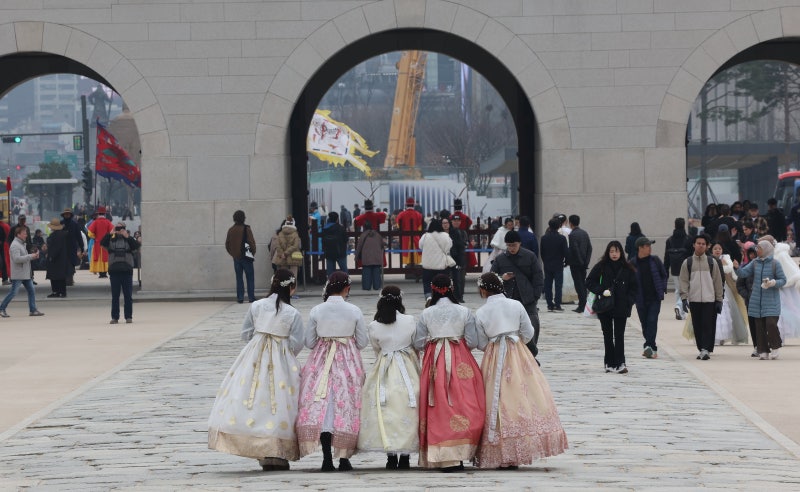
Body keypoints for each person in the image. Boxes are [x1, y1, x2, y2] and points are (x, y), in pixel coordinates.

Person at [208, 270, 304, 471]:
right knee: (279, 402)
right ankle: (277, 451)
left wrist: (260, 339)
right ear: (291, 288)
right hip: (282, 358)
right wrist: (282, 349)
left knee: (254, 400)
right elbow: (297, 343)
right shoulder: (292, 313)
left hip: (254, 356)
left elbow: (246, 333)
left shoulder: (257, 306)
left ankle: (258, 447)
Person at [474, 272, 568, 469]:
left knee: (496, 399)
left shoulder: (481, 312)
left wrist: (494, 344)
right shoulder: (515, 305)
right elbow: (528, 332)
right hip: (517, 352)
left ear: (483, 289)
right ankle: (520, 445)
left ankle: (499, 448)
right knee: (523, 395)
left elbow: (481, 342)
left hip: (494, 355)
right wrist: (516, 342)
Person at [296, 272, 367, 472]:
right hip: (347, 360)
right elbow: (362, 341)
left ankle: (327, 458)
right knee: (345, 406)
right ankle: (344, 458)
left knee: (324, 406)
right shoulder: (354, 310)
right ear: (347, 288)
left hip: (322, 358)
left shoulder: (317, 310)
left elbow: (309, 342)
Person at [414, 274, 484, 471]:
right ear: (451, 288)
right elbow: (472, 342)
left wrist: (433, 341)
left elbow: (418, 342)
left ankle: (442, 453)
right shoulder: (464, 311)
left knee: (437, 405)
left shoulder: (426, 313)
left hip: (435, 358)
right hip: (459, 356)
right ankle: (461, 451)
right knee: (464, 402)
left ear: (433, 289)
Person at [357, 286, 420, 470]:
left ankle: (391, 455)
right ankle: (406, 456)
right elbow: (415, 343)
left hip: (384, 366)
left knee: (386, 410)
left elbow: (377, 349)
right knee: (408, 408)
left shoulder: (374, 325)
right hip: (406, 366)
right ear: (400, 300)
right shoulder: (409, 321)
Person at [491, 230, 544, 353]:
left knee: (532, 325)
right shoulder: (500, 259)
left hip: (527, 298)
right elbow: (491, 277)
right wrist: (501, 278)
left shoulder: (529, 256)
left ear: (519, 243)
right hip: (508, 299)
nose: (511, 248)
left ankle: (532, 352)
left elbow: (538, 276)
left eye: (514, 245)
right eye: (509, 245)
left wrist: (535, 295)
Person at [736, 240, 786, 359]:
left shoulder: (775, 263)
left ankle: (775, 346)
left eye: (759, 248)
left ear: (766, 249)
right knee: (760, 326)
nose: (757, 250)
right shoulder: (755, 263)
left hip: (771, 301)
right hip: (757, 301)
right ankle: (763, 350)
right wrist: (737, 267)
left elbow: (783, 280)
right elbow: (743, 273)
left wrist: (773, 283)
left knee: (771, 324)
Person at [679, 234, 724, 361]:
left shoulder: (712, 262)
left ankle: (705, 349)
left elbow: (717, 281)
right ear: (694, 245)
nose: (701, 245)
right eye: (698, 243)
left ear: (707, 246)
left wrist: (719, 299)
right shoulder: (687, 262)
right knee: (697, 325)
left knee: (707, 325)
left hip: (709, 300)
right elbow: (683, 281)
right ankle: (702, 348)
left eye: (703, 244)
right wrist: (684, 298)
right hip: (694, 299)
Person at [630, 237, 668, 360]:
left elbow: (664, 275)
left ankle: (648, 346)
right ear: (640, 248)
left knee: (652, 321)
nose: (650, 248)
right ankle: (652, 348)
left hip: (654, 298)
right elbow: (628, 280)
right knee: (645, 324)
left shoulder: (655, 260)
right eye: (647, 246)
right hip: (640, 299)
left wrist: (662, 288)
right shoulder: (632, 263)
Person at [100, 222, 140, 324]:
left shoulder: (129, 240)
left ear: (125, 228)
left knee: (128, 296)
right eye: (117, 227)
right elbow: (102, 244)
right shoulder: (111, 241)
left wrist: (127, 236)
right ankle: (115, 317)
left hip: (127, 271)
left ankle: (128, 317)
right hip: (114, 271)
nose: (119, 230)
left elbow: (136, 247)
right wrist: (110, 233)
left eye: (121, 228)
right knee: (115, 296)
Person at [710, 244, 749, 347]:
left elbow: (730, 272)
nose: (717, 250)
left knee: (725, 312)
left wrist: (725, 264)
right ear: (711, 250)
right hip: (710, 289)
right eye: (715, 249)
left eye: (719, 248)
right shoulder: (708, 260)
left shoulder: (726, 259)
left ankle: (723, 336)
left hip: (724, 289)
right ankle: (715, 337)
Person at [0, 227, 43, 318]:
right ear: (18, 234)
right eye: (24, 233)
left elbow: (22, 257)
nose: (26, 235)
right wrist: (31, 256)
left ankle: (33, 310)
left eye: (26, 233)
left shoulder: (21, 244)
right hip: (19, 274)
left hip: (25, 273)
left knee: (31, 290)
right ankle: (1, 308)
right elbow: (17, 259)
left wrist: (32, 256)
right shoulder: (15, 245)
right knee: (13, 292)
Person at [224, 210, 256, 304]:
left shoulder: (231, 230)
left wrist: (233, 254)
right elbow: (251, 242)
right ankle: (251, 297)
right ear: (243, 218)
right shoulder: (246, 229)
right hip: (246, 257)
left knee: (239, 278)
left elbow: (227, 244)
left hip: (236, 258)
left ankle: (240, 297)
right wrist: (252, 253)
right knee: (250, 278)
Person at [665, 217, 692, 320]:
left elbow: (666, 257)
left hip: (675, 268)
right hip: (686, 268)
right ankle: (679, 306)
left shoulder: (670, 240)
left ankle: (680, 312)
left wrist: (666, 269)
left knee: (678, 289)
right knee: (686, 289)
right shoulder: (688, 239)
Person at [418, 219, 452, 300]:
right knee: (442, 283)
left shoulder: (425, 236)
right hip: (441, 265)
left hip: (428, 265)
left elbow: (420, 246)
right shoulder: (445, 236)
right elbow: (449, 247)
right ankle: (441, 296)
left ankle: (428, 296)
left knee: (427, 282)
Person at [540, 217, 568, 312]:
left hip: (547, 264)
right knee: (558, 285)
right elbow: (565, 252)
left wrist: (545, 261)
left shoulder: (544, 238)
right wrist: (565, 262)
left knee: (548, 284)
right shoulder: (562, 238)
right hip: (558, 264)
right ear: (559, 226)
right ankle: (557, 304)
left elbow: (542, 252)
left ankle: (549, 304)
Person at [736, 243, 759, 356]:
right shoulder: (745, 267)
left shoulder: (764, 266)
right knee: (753, 325)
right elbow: (739, 285)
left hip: (763, 301)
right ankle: (756, 346)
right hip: (750, 301)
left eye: (754, 253)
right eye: (750, 254)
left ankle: (764, 345)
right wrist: (747, 295)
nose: (752, 256)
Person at [567, 215, 592, 313]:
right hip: (583, 264)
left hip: (576, 264)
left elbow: (575, 249)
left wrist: (581, 262)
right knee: (582, 283)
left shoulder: (572, 235)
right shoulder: (584, 233)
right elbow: (590, 248)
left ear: (570, 223)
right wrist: (586, 261)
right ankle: (583, 304)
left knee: (579, 285)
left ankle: (582, 305)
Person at [45, 218, 71, 298]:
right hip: (63, 258)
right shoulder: (64, 234)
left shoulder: (54, 235)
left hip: (55, 259)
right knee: (61, 277)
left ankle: (55, 291)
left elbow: (55, 248)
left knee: (54, 277)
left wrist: (51, 256)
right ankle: (63, 292)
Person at [354, 221, 383, 290]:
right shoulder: (377, 234)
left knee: (366, 273)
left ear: (364, 227)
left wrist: (356, 257)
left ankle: (366, 287)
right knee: (376, 273)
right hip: (377, 257)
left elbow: (359, 247)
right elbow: (382, 244)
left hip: (366, 257)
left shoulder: (363, 235)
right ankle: (377, 286)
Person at [395, 197, 424, 266]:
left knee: (406, 250)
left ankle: (408, 264)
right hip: (415, 236)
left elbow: (398, 226)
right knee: (416, 249)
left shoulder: (401, 214)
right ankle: (415, 264)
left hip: (405, 237)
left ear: (406, 205)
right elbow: (420, 228)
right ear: (413, 205)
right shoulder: (418, 214)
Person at [87, 206, 115, 279]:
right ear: (105, 214)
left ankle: (100, 273)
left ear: (98, 214)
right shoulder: (108, 222)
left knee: (98, 257)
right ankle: (105, 272)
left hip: (97, 243)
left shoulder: (95, 222)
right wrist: (109, 238)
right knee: (106, 257)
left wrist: (94, 237)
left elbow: (89, 233)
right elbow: (113, 232)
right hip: (106, 243)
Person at [60, 208, 84, 286]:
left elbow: (79, 236)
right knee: (63, 264)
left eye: (68, 214)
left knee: (71, 264)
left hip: (72, 247)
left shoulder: (75, 224)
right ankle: (64, 279)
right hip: (62, 247)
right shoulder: (60, 223)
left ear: (70, 215)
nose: (67, 215)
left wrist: (81, 247)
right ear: (63, 215)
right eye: (65, 214)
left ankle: (70, 278)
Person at [448, 212, 468, 303]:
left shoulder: (463, 232)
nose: (456, 222)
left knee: (461, 279)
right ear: (451, 222)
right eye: (454, 220)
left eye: (458, 220)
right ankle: (453, 296)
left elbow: (465, 243)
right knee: (452, 278)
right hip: (451, 258)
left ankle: (460, 296)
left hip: (461, 258)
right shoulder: (449, 232)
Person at [321, 211, 348, 277]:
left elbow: (323, 240)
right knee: (344, 270)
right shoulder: (340, 228)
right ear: (337, 219)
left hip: (329, 252)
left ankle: (331, 284)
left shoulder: (325, 229)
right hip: (340, 252)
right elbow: (346, 239)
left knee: (330, 272)